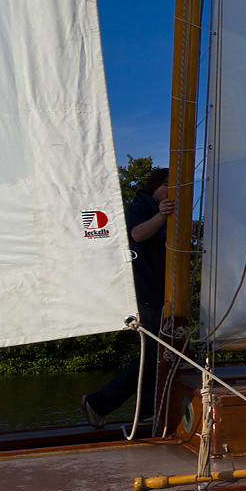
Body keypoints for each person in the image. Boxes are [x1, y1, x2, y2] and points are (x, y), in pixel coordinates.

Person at [80, 168, 176, 428]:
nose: (171, 190)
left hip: (160, 293)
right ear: (154, 187)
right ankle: (98, 403)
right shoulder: (139, 206)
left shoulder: (168, 213)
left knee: (159, 352)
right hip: (142, 293)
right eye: (166, 185)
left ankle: (146, 412)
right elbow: (137, 234)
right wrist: (161, 215)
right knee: (154, 350)